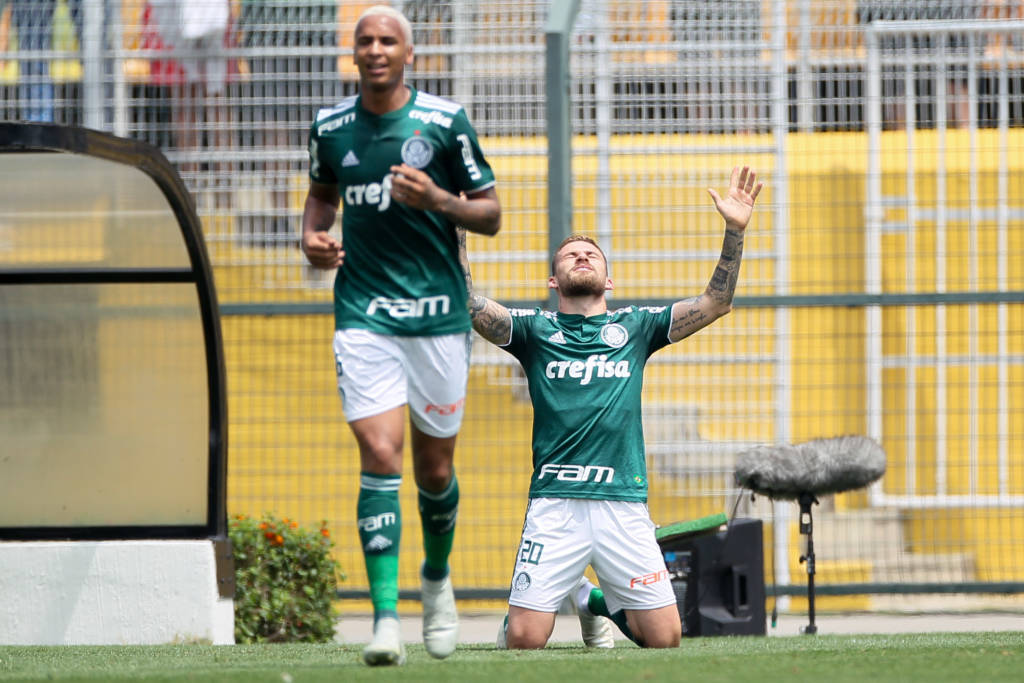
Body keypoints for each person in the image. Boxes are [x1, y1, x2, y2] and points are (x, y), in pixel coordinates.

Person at [461, 166, 762, 649]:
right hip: (555, 503)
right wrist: (457, 229)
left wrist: (735, 230)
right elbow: (468, 304)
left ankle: (592, 601)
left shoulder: (638, 327)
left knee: (665, 639)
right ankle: (562, 600)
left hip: (623, 502)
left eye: (591, 254)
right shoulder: (534, 331)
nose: (581, 256)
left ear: (609, 279)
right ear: (554, 280)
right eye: (570, 255)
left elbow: (716, 302)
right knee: (525, 639)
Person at [300, 4, 501, 667]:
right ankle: (385, 619)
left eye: (389, 40)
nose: (376, 49)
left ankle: (436, 581)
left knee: (434, 469)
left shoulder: (445, 122)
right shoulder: (329, 127)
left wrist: (437, 200)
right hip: (365, 314)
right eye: (365, 40)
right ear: (353, 52)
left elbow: (491, 214)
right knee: (379, 452)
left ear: (409, 53)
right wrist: (312, 237)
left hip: (439, 318)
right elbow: (322, 195)